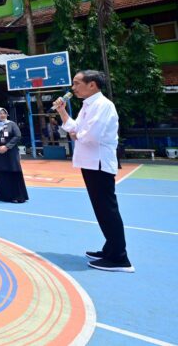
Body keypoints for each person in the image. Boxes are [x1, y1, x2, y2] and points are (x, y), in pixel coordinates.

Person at [54, 70, 133, 273]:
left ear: (92, 85)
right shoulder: (88, 105)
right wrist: (62, 112)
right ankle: (110, 249)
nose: (73, 87)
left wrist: (76, 134)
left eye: (77, 83)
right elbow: (75, 128)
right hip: (89, 163)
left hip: (98, 163)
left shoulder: (103, 105)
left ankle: (119, 258)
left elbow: (90, 136)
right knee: (101, 209)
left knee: (107, 209)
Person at [0, 108, 28, 203]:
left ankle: (17, 196)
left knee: (13, 171)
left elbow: (17, 136)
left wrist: (7, 147)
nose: (3, 115)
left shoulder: (11, 124)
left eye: (4, 113)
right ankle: (1, 194)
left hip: (10, 152)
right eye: (0, 113)